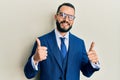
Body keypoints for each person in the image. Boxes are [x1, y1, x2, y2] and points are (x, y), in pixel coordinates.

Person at [24, 2, 100, 80]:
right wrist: (35, 59)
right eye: (62, 15)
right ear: (56, 16)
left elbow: (87, 72)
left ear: (73, 20)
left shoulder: (79, 43)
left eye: (70, 17)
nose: (66, 19)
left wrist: (93, 63)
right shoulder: (42, 41)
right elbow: (28, 74)